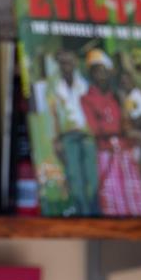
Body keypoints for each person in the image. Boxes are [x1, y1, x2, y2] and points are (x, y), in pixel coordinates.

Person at [80, 48, 141, 216]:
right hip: (105, 153)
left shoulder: (117, 97)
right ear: (91, 74)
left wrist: (129, 131)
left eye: (105, 71)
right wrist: (123, 131)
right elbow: (96, 129)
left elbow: (130, 120)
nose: (101, 75)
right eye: (97, 72)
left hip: (125, 151)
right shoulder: (86, 99)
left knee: (133, 192)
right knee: (111, 193)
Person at [47, 49, 98, 216]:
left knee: (92, 176)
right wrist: (56, 140)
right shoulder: (55, 88)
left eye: (68, 62)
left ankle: (95, 212)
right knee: (74, 178)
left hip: (88, 135)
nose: (65, 66)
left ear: (75, 63)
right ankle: (82, 212)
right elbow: (53, 115)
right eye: (62, 63)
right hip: (68, 136)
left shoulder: (86, 84)